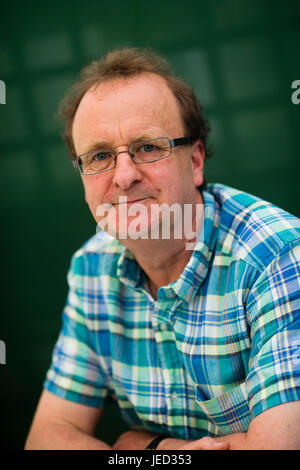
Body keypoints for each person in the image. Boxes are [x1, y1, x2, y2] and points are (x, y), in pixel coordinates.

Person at [25, 47, 300, 450]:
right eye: (100, 156)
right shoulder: (92, 269)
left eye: (148, 148)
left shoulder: (277, 257)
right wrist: (156, 451)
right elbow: (46, 439)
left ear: (196, 159)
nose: (123, 176)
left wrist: (131, 443)